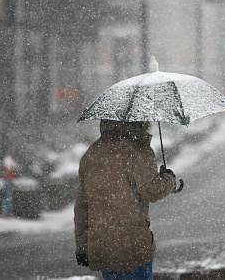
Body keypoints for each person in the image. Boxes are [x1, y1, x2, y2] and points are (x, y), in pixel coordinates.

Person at [74, 120, 177, 280]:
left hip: (104, 248)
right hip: (133, 247)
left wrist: (82, 247)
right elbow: (153, 191)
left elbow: (82, 207)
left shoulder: (92, 153)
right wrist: (169, 178)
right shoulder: (139, 150)